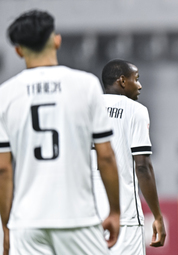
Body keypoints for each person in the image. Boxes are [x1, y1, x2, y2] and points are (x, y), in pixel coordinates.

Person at [0, 10, 120, 255]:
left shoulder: (5, 95)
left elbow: (3, 169)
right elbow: (106, 155)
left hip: (27, 223)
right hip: (77, 219)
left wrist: (7, 226)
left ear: (19, 50)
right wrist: (115, 211)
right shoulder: (85, 85)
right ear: (56, 40)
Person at [92, 59, 166, 255]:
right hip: (125, 219)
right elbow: (142, 167)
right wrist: (157, 216)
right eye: (136, 79)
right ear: (122, 81)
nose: (140, 85)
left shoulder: (85, 109)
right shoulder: (136, 110)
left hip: (87, 218)